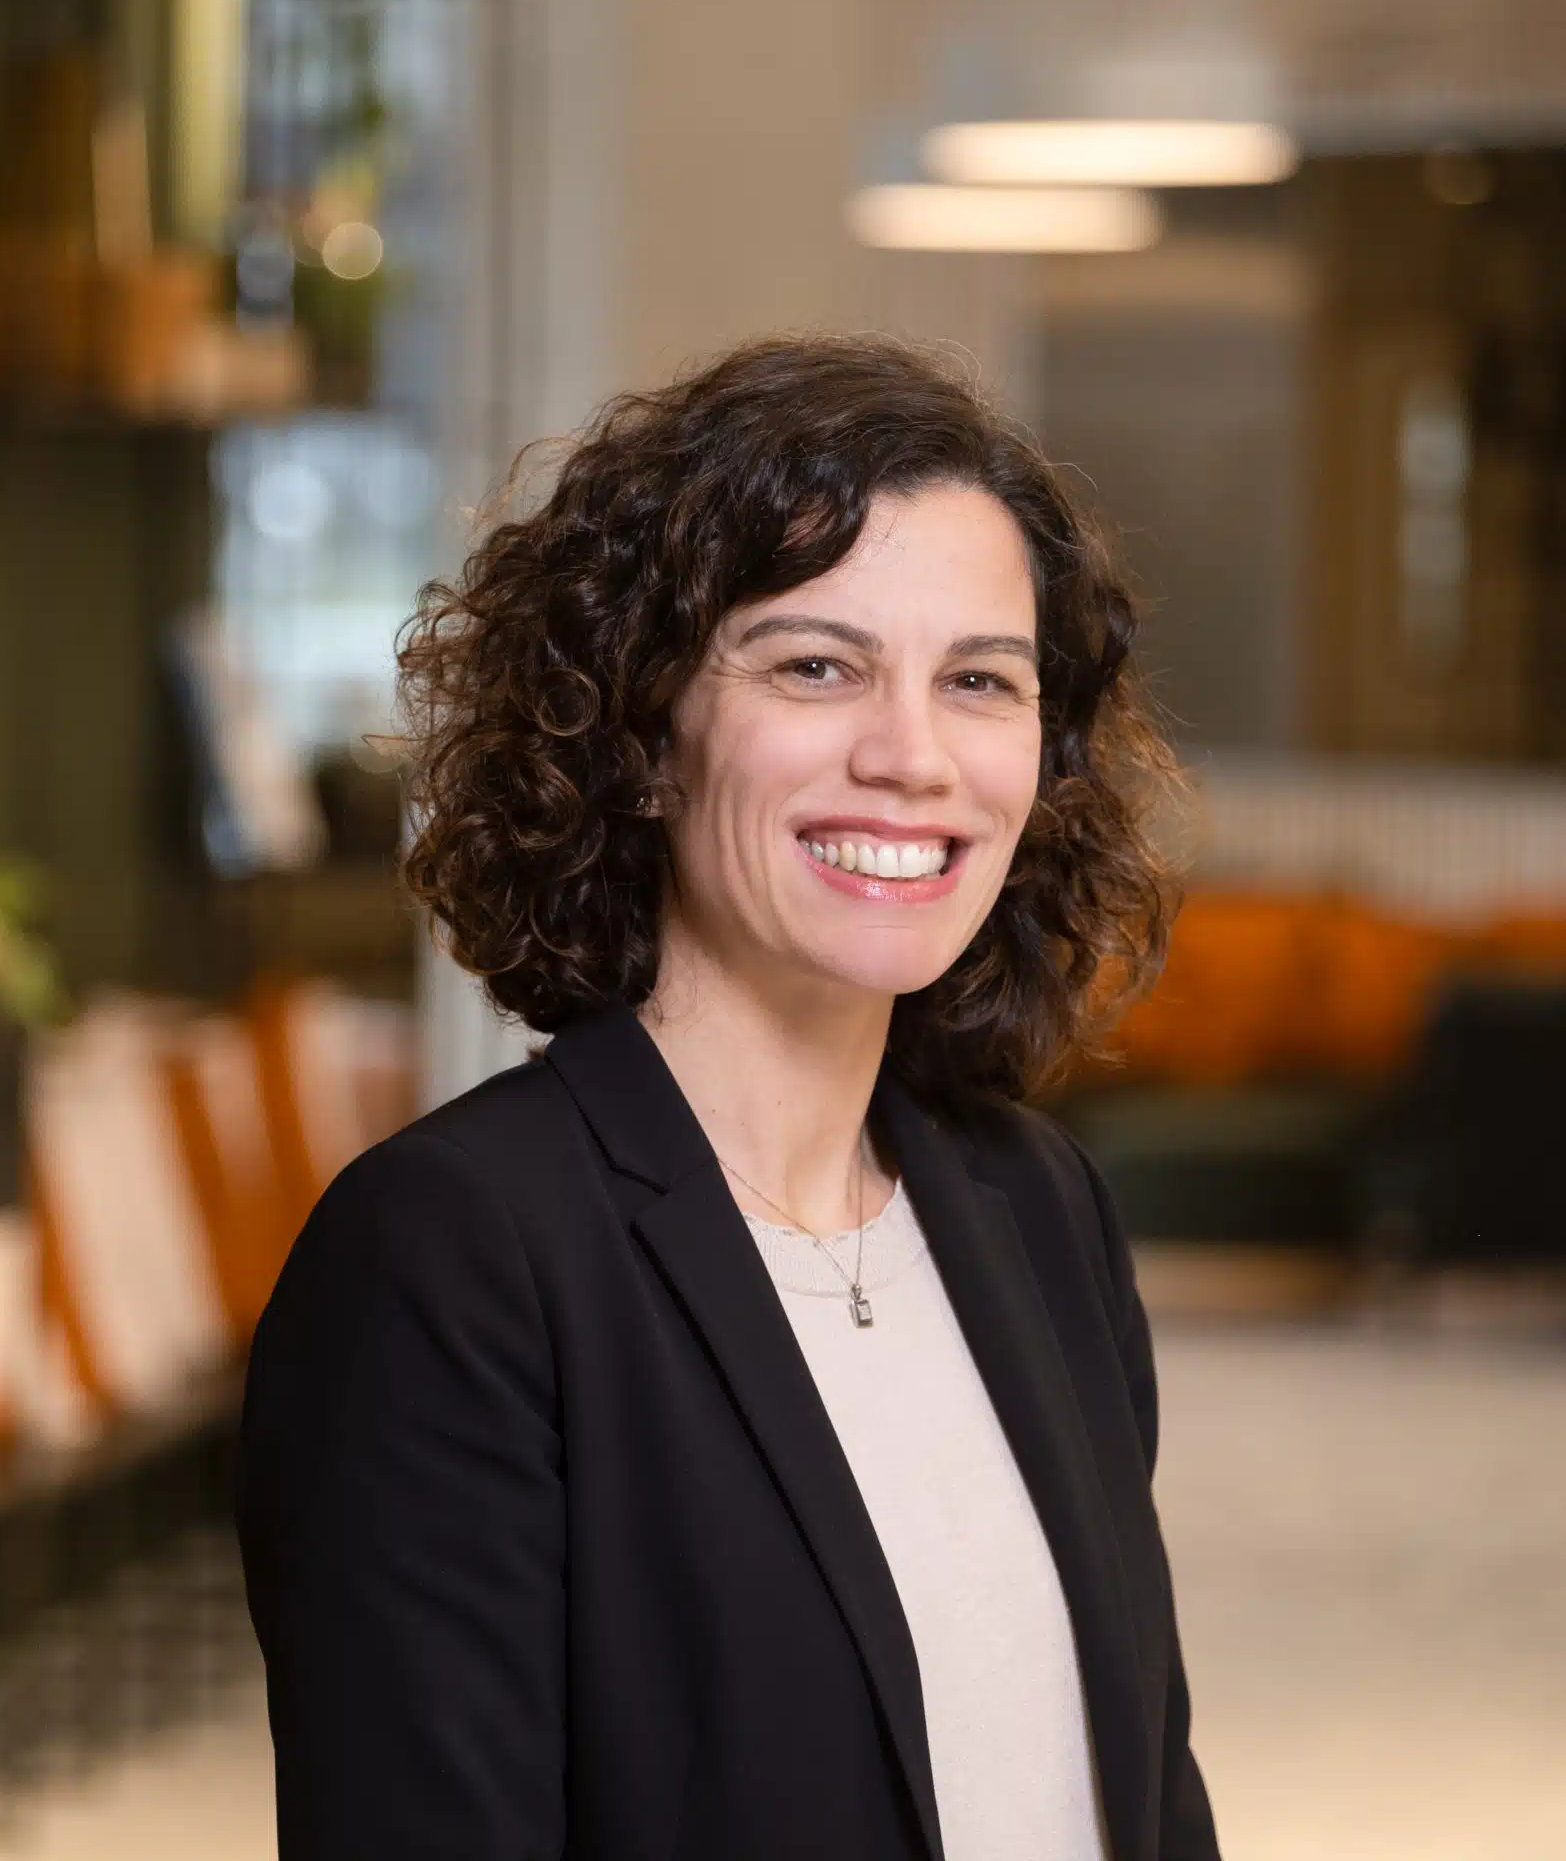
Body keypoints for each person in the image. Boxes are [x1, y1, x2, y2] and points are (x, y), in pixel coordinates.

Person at [236, 334, 1221, 1861]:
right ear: (639, 735)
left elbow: (1142, 1799)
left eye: (979, 681)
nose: (912, 757)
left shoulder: (1036, 1207)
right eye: (815, 666)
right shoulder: (451, 1255)